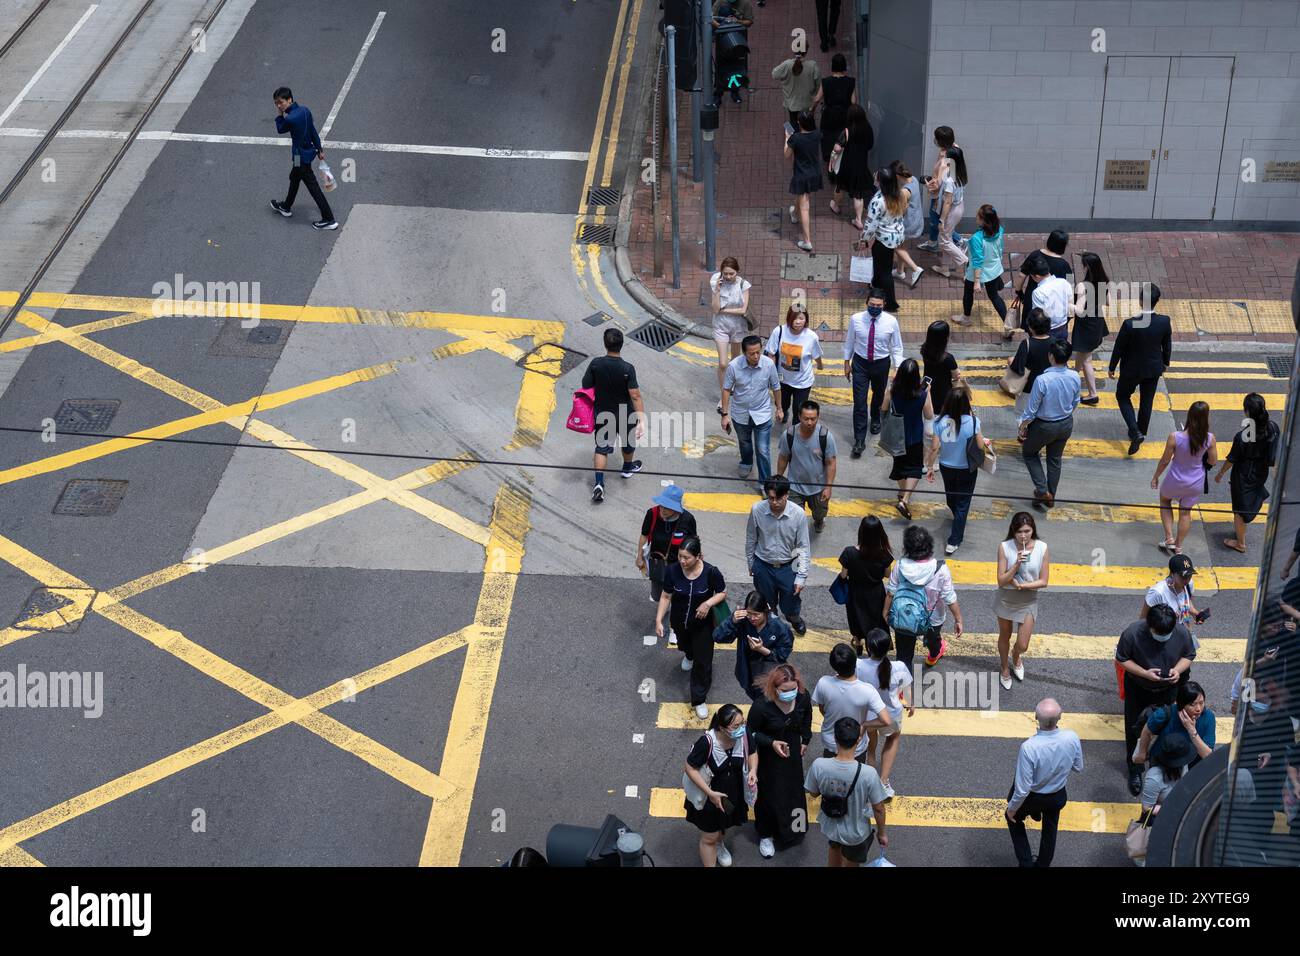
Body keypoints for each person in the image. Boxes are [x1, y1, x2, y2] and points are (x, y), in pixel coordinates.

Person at [1116, 603, 1196, 796]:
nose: (1164, 637)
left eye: (1167, 634)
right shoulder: (1132, 633)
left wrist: (1177, 670)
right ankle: (1135, 767)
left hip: (1169, 688)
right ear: (1149, 626)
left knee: (1167, 726)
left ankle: (1164, 763)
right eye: (1159, 633)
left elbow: (1189, 654)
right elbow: (1122, 659)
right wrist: (1145, 673)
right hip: (1139, 687)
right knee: (1134, 728)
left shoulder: (1180, 632)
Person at [1005, 698, 1083, 868]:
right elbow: (1078, 767)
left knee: (1013, 818)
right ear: (1060, 717)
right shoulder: (1072, 737)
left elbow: (1023, 789)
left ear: (1035, 717)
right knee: (1050, 830)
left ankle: (1026, 863)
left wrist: (1011, 810)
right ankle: (1042, 864)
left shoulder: (1029, 747)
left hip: (1033, 797)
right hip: (1057, 796)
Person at [655, 537, 727, 719]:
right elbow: (665, 596)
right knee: (684, 645)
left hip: (703, 626)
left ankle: (699, 698)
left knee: (703, 662)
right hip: (680, 621)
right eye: (680, 556)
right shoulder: (672, 571)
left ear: (698, 557)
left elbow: (722, 592)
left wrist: (708, 603)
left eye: (686, 557)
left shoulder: (711, 572)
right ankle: (688, 654)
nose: (682, 561)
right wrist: (658, 620)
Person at [747, 664, 813, 858]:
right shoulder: (761, 706)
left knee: (794, 792)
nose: (791, 693)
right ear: (774, 688)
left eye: (794, 688)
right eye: (785, 691)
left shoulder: (803, 697)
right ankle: (766, 835)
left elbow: (807, 716)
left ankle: (795, 828)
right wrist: (771, 742)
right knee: (768, 796)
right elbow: (750, 733)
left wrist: (806, 739)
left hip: (792, 755)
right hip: (768, 759)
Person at [805, 716, 889, 867]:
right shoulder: (868, 773)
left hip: (831, 826)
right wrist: (882, 833)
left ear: (835, 738)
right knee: (852, 862)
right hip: (856, 833)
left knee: (834, 848)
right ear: (858, 740)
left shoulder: (819, 765)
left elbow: (813, 793)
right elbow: (878, 808)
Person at [682, 704, 756, 867]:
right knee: (709, 837)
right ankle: (713, 845)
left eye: (742, 723)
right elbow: (689, 767)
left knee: (723, 825)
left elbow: (752, 752)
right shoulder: (707, 743)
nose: (742, 728)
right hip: (709, 797)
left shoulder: (743, 735)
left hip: (731, 795)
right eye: (736, 726)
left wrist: (753, 771)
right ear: (721, 727)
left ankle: (719, 844)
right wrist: (710, 793)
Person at [884, 525, 963, 669]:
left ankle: (903, 686)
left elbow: (891, 592)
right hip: (932, 618)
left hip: (904, 615)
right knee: (933, 641)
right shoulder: (940, 569)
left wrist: (884, 614)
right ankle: (934, 654)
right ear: (929, 546)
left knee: (903, 655)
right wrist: (958, 620)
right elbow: (949, 598)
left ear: (906, 547)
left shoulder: (900, 566)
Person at [1131, 680, 1216, 813]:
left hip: (1193, 766)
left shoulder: (1208, 717)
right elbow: (1147, 730)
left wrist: (1191, 731)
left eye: (1201, 702)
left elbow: (1207, 755)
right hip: (1165, 764)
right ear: (1181, 704)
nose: (1198, 708)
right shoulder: (1165, 714)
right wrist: (1142, 753)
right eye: (1192, 704)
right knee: (1160, 794)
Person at [582, 328, 645, 504]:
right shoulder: (628, 368)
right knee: (628, 442)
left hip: (603, 412)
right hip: (626, 414)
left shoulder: (596, 364)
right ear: (622, 345)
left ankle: (599, 484)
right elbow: (635, 395)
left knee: (602, 448)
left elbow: (586, 384)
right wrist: (641, 420)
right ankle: (626, 469)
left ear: (605, 343)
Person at [1108, 282, 1172, 457]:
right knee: (1147, 400)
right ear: (1157, 301)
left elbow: (1119, 347)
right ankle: (1141, 431)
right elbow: (1167, 345)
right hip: (1153, 368)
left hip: (1131, 369)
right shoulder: (1164, 322)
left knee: (1122, 396)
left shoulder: (1130, 324)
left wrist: (1112, 366)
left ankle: (1134, 431)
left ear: (1140, 301)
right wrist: (1165, 362)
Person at [926, 385, 989, 555]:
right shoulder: (974, 422)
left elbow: (934, 448)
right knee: (963, 504)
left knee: (951, 498)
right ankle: (954, 540)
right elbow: (980, 445)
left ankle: (958, 518)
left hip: (946, 467)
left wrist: (930, 467)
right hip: (966, 468)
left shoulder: (939, 422)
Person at [1018, 340, 1079, 511]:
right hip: (1066, 423)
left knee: (1029, 453)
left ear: (1051, 356)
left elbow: (1031, 410)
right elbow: (1076, 401)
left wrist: (1023, 426)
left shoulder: (1042, 380)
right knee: (1054, 459)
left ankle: (1043, 491)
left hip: (1044, 426)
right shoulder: (1074, 376)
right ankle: (1050, 495)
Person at [745, 476, 811, 634]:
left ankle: (794, 618)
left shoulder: (798, 514)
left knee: (791, 603)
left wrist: (801, 576)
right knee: (767, 604)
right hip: (763, 566)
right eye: (771, 498)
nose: (774, 503)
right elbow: (751, 539)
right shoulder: (757, 510)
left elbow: (803, 546)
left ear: (787, 494)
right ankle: (773, 627)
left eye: (778, 498)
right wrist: (751, 563)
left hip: (788, 567)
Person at [1215, 393, 1279, 554]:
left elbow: (1232, 459)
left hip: (1243, 475)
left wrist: (1221, 473)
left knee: (1239, 509)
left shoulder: (1242, 437)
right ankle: (1245, 520)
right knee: (1247, 501)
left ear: (1247, 413)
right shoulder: (1272, 428)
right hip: (1260, 472)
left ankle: (1240, 543)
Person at [843, 287, 904, 454]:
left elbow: (897, 347)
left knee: (878, 395)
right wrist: (846, 362)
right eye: (872, 304)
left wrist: (897, 367)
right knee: (859, 401)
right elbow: (849, 341)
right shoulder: (855, 319)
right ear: (866, 303)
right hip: (860, 364)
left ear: (884, 304)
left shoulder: (891, 322)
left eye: (878, 305)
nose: (875, 307)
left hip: (881, 364)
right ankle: (859, 439)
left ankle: (876, 417)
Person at [994, 512, 1050, 690]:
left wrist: (1023, 586)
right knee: (1005, 635)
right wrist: (1017, 563)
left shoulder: (1042, 548)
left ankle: (1016, 655)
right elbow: (1001, 580)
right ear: (1013, 531)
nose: (1024, 535)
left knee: (1023, 644)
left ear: (1033, 529)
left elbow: (1044, 581)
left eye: (1027, 530)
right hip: (1006, 598)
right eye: (1019, 531)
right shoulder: (1005, 547)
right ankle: (1004, 668)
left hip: (1028, 599)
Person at [1152, 401, 1217, 555]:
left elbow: (1165, 460)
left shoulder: (1175, 437)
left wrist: (1155, 477)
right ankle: (1178, 546)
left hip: (1175, 479)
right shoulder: (1209, 438)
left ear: (1189, 416)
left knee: (1165, 500)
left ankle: (1169, 537)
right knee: (1185, 513)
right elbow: (1213, 461)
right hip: (1195, 482)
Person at [269, 87, 338, 230]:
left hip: (300, 157)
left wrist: (279, 114)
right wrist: (319, 149)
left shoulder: (291, 118)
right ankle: (286, 206)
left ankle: (329, 219)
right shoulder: (305, 111)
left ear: (290, 99)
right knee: (294, 177)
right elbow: (313, 131)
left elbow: (280, 129)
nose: (279, 106)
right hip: (307, 153)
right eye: (276, 104)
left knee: (312, 187)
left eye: (280, 102)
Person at [857, 629, 913, 799]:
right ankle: (883, 782)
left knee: (871, 748)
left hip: (868, 715)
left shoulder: (858, 665)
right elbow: (906, 689)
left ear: (868, 648)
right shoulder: (899, 667)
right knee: (892, 739)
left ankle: (870, 784)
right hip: (891, 714)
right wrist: (910, 705)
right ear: (889, 647)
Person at [811, 643, 891, 761]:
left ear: (833, 665)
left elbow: (823, 709)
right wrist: (864, 725)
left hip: (830, 742)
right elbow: (886, 720)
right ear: (855, 663)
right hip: (856, 746)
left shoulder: (823, 683)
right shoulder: (867, 690)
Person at [721, 334, 782, 486]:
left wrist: (779, 408)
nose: (756, 356)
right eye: (751, 353)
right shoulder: (734, 366)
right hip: (740, 414)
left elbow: (776, 387)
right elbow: (727, 389)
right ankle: (746, 462)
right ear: (744, 353)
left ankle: (765, 484)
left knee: (763, 450)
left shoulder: (768, 364)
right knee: (745, 442)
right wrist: (725, 414)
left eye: (758, 352)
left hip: (762, 414)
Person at [713, 591, 794, 700]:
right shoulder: (742, 621)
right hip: (747, 672)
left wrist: (763, 650)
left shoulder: (780, 628)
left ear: (765, 612)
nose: (752, 618)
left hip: (770, 675)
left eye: (756, 614)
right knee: (755, 698)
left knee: (768, 701)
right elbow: (718, 637)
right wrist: (731, 621)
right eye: (749, 613)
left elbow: (783, 655)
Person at [881, 358, 933, 520]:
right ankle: (905, 499)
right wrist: (928, 392)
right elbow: (929, 415)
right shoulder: (922, 394)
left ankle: (902, 492)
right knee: (915, 469)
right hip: (914, 437)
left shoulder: (892, 391)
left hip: (896, 437)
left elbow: (883, 409)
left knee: (900, 466)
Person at [776, 400, 837, 534]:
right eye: (806, 419)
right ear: (799, 417)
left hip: (818, 488)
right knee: (794, 518)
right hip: (794, 487)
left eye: (813, 419)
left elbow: (831, 463)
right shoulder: (789, 435)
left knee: (819, 513)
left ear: (818, 417)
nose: (809, 422)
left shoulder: (825, 437)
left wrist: (828, 487)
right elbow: (783, 458)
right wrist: (779, 480)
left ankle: (819, 520)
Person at [838, 516, 894, 654]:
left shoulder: (849, 552)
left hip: (855, 592)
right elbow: (887, 575)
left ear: (861, 532)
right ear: (880, 533)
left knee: (856, 618)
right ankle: (874, 647)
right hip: (876, 592)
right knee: (876, 620)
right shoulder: (884, 554)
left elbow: (844, 575)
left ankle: (857, 643)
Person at [859, 166, 910, 313]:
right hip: (896, 235)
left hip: (884, 239)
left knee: (885, 270)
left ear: (881, 182)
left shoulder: (877, 200)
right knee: (881, 263)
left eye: (877, 177)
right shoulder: (898, 194)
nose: (875, 178)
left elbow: (871, 223)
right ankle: (875, 284)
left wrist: (864, 240)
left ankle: (891, 303)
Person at [637, 484, 697, 606]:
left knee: (678, 595)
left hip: (680, 566)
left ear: (676, 508)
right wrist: (639, 557)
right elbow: (644, 535)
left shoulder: (688, 519)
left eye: (668, 507)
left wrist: (696, 561)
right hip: (657, 564)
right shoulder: (652, 513)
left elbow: (693, 542)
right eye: (662, 505)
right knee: (659, 595)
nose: (663, 510)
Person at [765, 304, 823, 420]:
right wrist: (771, 374)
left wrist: (820, 365)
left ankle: (795, 432)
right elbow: (771, 353)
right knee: (782, 404)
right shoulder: (779, 331)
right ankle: (784, 411)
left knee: (799, 410)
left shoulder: (811, 337)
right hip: (783, 379)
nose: (798, 322)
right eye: (795, 318)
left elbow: (816, 354)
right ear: (789, 318)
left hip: (803, 381)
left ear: (806, 319)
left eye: (801, 318)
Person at [1010, 230, 1072, 338]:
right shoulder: (1064, 265)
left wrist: (1019, 293)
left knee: (1034, 333)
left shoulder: (1035, 255)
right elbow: (1070, 286)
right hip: (1055, 309)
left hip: (1032, 300)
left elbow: (1021, 275)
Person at [710, 258, 752, 408]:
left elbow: (742, 310)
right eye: (725, 273)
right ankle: (724, 395)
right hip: (720, 326)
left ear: (737, 272)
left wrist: (724, 310)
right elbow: (715, 309)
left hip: (738, 327)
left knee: (735, 361)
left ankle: (733, 386)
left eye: (731, 274)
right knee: (723, 363)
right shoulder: (715, 280)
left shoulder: (743, 285)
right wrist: (717, 290)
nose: (728, 277)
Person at [957, 204, 1006, 327]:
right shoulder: (999, 230)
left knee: (968, 292)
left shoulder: (976, 239)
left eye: (978, 216)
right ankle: (1007, 324)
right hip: (994, 268)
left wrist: (977, 281)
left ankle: (966, 318)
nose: (976, 217)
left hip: (976, 272)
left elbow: (977, 261)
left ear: (984, 221)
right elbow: (1000, 248)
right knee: (994, 296)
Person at [1071, 251, 1110, 404]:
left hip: (1085, 325)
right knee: (1082, 357)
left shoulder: (1082, 286)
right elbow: (1108, 303)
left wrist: (1067, 303)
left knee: (1086, 359)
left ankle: (1093, 394)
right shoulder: (1104, 281)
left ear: (1087, 267)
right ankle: (1073, 379)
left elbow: (1079, 310)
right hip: (1097, 322)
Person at [829, 104, 874, 230]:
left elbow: (837, 148)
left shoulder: (847, 131)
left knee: (840, 187)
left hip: (847, 166)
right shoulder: (868, 128)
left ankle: (836, 206)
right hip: (861, 165)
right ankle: (859, 220)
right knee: (858, 194)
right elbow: (870, 145)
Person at [1140, 553, 1204, 641]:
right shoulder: (1157, 593)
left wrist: (1195, 613)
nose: (1187, 579)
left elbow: (1187, 602)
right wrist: (1167, 618)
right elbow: (1143, 620)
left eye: (1189, 575)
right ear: (1172, 573)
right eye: (1183, 576)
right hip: (1162, 636)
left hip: (1182, 633)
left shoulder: (1189, 584)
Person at [785, 110, 823, 252]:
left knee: (805, 206)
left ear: (800, 123)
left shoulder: (795, 138)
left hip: (802, 174)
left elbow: (786, 154)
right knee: (802, 196)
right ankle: (794, 213)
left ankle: (807, 241)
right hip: (814, 173)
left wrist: (787, 138)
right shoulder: (817, 134)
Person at [917, 126, 960, 252]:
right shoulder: (954, 149)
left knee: (937, 220)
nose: (934, 139)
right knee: (936, 219)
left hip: (940, 196)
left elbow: (942, 182)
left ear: (941, 141)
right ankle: (932, 242)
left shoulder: (947, 158)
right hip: (944, 193)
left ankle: (958, 240)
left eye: (936, 138)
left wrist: (927, 182)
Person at [930, 149, 969, 279]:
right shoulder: (960, 172)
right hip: (959, 206)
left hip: (951, 210)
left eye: (946, 157)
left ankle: (966, 261)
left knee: (944, 241)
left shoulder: (949, 181)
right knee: (948, 237)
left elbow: (947, 203)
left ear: (951, 160)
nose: (944, 158)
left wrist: (941, 220)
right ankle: (945, 268)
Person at [813, 53, 855, 165]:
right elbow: (853, 102)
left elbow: (817, 99)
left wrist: (811, 111)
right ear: (844, 66)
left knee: (827, 137)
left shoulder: (826, 82)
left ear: (833, 66)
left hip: (829, 115)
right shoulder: (851, 82)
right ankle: (841, 160)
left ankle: (830, 161)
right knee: (842, 137)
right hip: (844, 115)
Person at [889, 160, 924, 287]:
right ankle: (900, 271)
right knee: (902, 245)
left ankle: (915, 269)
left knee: (897, 247)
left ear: (897, 176)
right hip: (916, 219)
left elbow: (901, 211)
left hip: (907, 223)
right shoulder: (913, 179)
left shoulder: (904, 192)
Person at [1007, 308, 1054, 398]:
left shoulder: (1026, 344)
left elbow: (1018, 368)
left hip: (1029, 389)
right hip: (1050, 387)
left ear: (1030, 327)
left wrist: (1011, 361)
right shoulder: (1055, 342)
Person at [1028, 258, 1075, 342]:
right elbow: (1071, 302)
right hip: (1063, 326)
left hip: (1048, 331)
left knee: (1047, 353)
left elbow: (1038, 315)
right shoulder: (1063, 282)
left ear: (1037, 276)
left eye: (1031, 276)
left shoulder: (1038, 292)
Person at [919, 319, 959, 418]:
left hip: (927, 386)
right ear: (945, 338)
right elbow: (956, 375)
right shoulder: (948, 358)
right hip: (943, 391)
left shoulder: (924, 349)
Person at [772, 52, 821, 129]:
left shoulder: (787, 64)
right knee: (808, 124)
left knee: (793, 122)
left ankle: (794, 136)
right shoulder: (813, 65)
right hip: (807, 102)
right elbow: (818, 84)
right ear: (806, 51)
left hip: (792, 103)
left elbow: (774, 74)